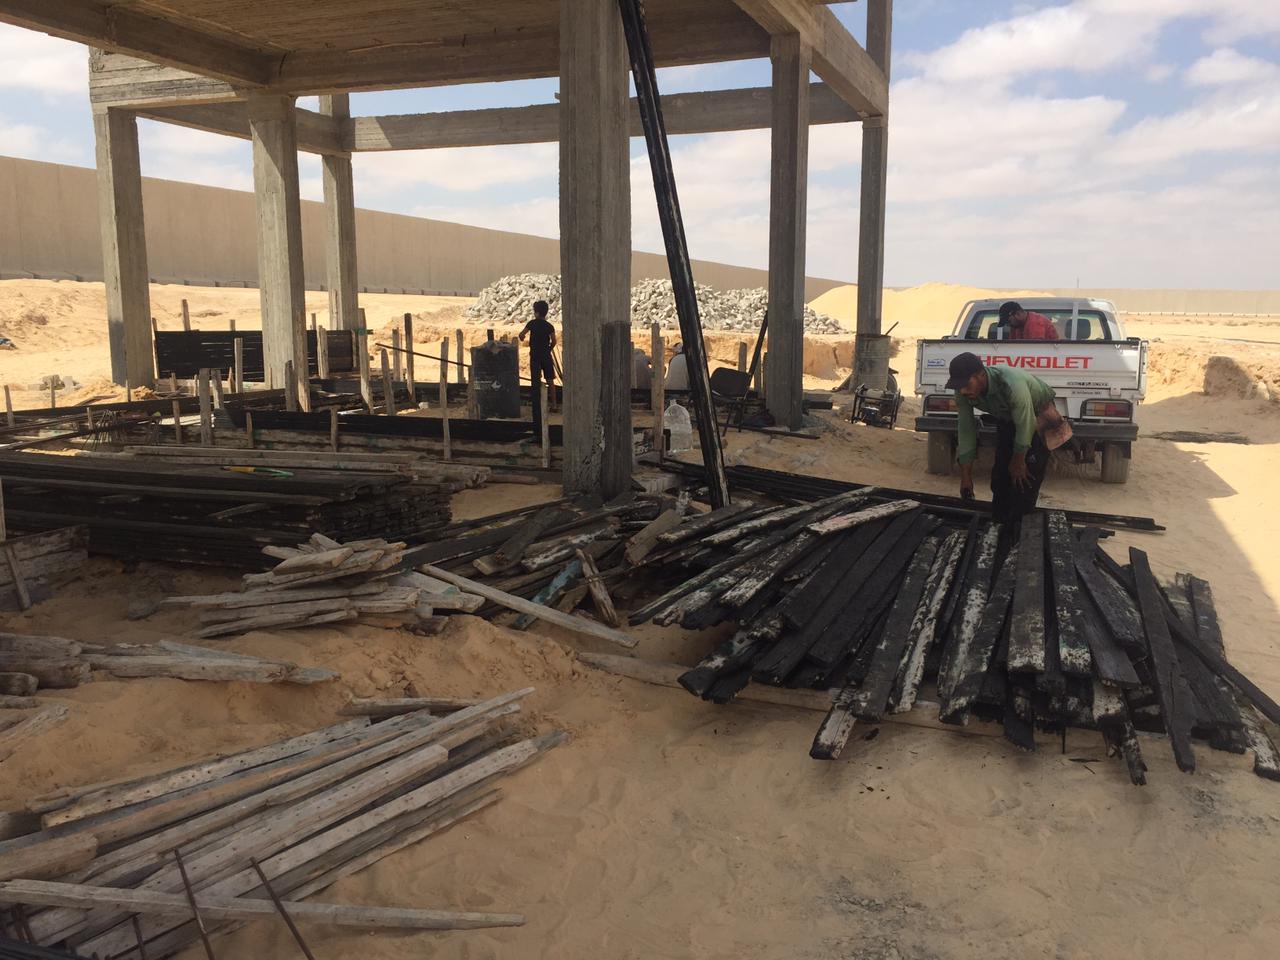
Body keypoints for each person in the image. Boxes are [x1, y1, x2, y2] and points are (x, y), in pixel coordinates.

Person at [947, 351, 1070, 525]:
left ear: (981, 375)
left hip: (1037, 415)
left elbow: (1026, 423)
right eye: (958, 386)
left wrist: (1019, 461)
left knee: (1024, 480)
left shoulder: (1011, 384)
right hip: (1007, 417)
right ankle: (999, 524)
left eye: (966, 384)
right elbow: (966, 429)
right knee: (1000, 478)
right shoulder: (962, 391)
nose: (962, 390)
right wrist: (966, 476)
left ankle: (1021, 527)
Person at [519, 300, 557, 435]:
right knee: (550, 380)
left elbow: (521, 334)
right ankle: (554, 405)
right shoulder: (549, 326)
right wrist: (548, 349)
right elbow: (554, 341)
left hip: (535, 356)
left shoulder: (531, 324)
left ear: (536, 312)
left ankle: (537, 406)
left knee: (535, 381)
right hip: (546, 355)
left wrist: (523, 339)